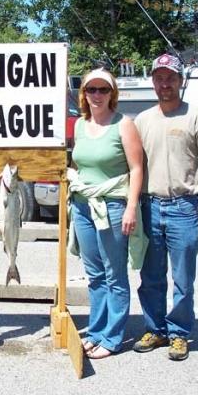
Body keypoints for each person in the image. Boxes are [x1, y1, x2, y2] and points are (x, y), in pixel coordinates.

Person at [133, 54, 198, 361]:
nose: (165, 83)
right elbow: (133, 166)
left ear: (180, 80)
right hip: (149, 206)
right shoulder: (142, 120)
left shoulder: (197, 117)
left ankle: (179, 333)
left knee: (183, 279)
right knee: (151, 277)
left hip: (183, 206)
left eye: (170, 77)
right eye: (159, 78)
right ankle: (155, 329)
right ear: (153, 82)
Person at [69, 68, 143, 359]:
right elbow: (79, 163)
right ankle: (96, 331)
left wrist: (131, 207)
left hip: (112, 206)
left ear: (113, 93)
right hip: (83, 206)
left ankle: (112, 338)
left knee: (114, 275)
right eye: (92, 89)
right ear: (84, 94)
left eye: (103, 89)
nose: (97, 95)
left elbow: (136, 168)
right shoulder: (79, 124)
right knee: (95, 274)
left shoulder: (123, 124)